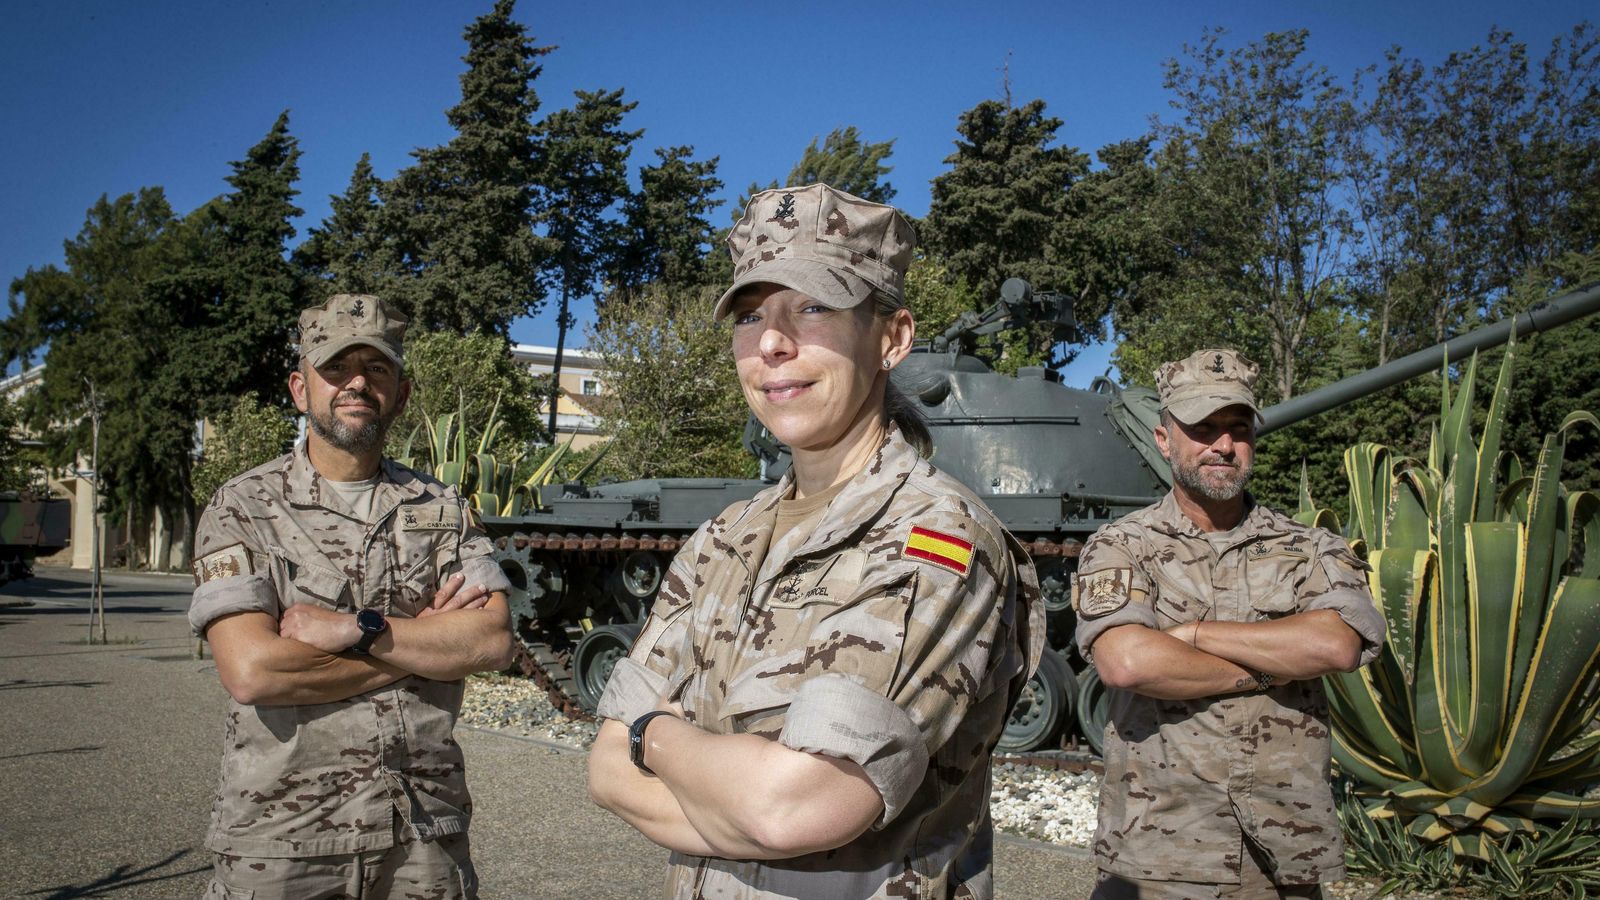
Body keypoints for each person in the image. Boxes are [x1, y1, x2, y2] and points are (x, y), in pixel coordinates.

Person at [587, 183, 1044, 898]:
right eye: (750, 315)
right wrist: (733, 792)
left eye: (813, 306)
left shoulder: (933, 538)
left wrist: (653, 733)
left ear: (892, 338)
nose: (771, 342)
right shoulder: (721, 540)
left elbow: (797, 805)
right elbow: (604, 773)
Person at [188, 294, 515, 899]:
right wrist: (420, 649)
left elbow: (493, 641)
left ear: (402, 392)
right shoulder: (243, 508)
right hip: (283, 839)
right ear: (298, 387)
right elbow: (254, 671)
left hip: (423, 834)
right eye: (336, 368)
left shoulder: (441, 509)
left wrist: (357, 629)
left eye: (378, 368)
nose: (357, 383)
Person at [1075, 349, 1387, 899]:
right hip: (1159, 854)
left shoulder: (1310, 546)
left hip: (1285, 858)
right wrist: (1273, 668)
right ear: (1164, 439)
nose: (1223, 445)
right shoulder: (1123, 545)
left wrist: (1194, 636)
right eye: (1202, 428)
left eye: (1238, 428)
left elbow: (1336, 645)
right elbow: (1127, 662)